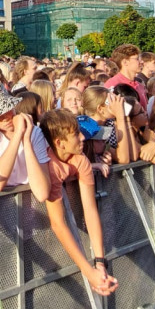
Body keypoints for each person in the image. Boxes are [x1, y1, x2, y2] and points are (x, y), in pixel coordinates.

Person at [38, 109, 119, 297]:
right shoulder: (51, 166)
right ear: (60, 143)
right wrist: (88, 271)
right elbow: (58, 223)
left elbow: (90, 210)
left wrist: (99, 262)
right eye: (76, 134)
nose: (83, 138)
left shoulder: (80, 159)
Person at [0, 81, 51, 202]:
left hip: (31, 204)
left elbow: (42, 193)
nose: (5, 117)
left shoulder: (34, 132)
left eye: (7, 108)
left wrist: (26, 140)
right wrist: (17, 135)